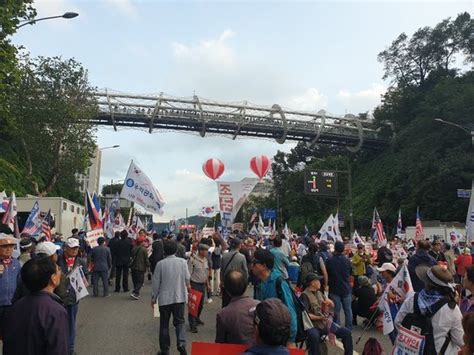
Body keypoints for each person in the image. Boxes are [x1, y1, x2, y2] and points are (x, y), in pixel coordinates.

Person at [3, 257, 68, 355]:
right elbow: (58, 349)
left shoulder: (15, 307)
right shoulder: (56, 311)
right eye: (58, 269)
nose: (60, 272)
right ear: (53, 278)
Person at [395, 265, 464, 354]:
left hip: (410, 351)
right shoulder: (452, 309)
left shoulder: (412, 298)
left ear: (426, 282)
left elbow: (398, 322)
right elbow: (460, 340)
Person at [152, 240, 190, 355]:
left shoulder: (160, 264)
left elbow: (156, 283)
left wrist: (153, 298)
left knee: (164, 324)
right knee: (180, 322)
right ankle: (181, 343)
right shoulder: (183, 262)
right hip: (179, 296)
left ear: (164, 251)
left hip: (164, 298)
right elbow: (187, 279)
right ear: (176, 250)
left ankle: (165, 349)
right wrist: (189, 290)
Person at [252, 248, 298, 344]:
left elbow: (291, 311)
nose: (251, 266)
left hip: (279, 339)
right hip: (263, 337)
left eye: (254, 263)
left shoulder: (279, 282)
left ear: (264, 265)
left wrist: (291, 340)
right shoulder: (258, 283)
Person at [300, 273, 353, 355]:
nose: (320, 282)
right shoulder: (304, 295)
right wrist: (320, 318)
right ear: (312, 283)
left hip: (325, 324)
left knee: (346, 333)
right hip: (313, 325)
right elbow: (306, 315)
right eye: (318, 281)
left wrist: (330, 303)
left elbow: (332, 305)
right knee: (314, 336)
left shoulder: (319, 293)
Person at [57, 237, 88, 355]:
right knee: (58, 323)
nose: (74, 250)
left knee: (71, 323)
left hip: (73, 297)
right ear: (66, 248)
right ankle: (59, 347)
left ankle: (70, 349)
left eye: (76, 248)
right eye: (72, 248)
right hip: (59, 297)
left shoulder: (81, 261)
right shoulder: (58, 260)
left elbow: (85, 277)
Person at [215, 270, 260, 344]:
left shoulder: (223, 314)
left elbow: (220, 342)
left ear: (226, 289)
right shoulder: (259, 305)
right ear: (246, 286)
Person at [326, 241, 353, 330]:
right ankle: (349, 328)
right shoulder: (347, 261)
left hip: (334, 288)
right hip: (346, 288)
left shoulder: (329, 260)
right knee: (348, 310)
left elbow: (327, 273)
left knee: (336, 311)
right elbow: (351, 274)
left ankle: (337, 329)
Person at [0, 234, 21, 337]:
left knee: (9, 334)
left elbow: (19, 282)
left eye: (11, 247)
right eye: (4, 247)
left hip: (11, 304)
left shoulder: (16, 263)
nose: (8, 249)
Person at [187, 243, 211, 332]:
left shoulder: (205, 260)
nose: (207, 252)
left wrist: (208, 284)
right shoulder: (193, 260)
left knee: (200, 305)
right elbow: (188, 274)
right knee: (194, 305)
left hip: (202, 284)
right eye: (205, 251)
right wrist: (188, 285)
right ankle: (192, 325)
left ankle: (197, 318)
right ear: (200, 251)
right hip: (194, 284)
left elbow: (206, 273)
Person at [220, 237, 248, 308]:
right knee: (237, 302)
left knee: (226, 302)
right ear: (239, 245)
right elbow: (245, 272)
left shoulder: (224, 255)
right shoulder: (242, 257)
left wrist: (222, 281)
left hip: (226, 282)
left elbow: (222, 270)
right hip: (237, 283)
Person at [130, 235, 150, 300]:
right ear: (141, 242)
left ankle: (136, 293)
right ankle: (135, 292)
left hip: (133, 267)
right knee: (140, 281)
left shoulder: (134, 248)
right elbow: (146, 259)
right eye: (143, 241)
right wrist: (148, 266)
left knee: (135, 281)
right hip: (140, 267)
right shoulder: (144, 249)